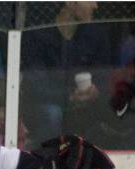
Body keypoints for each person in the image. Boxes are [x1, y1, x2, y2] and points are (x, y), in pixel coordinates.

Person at [20, 1, 114, 145]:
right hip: (45, 103)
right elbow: (35, 87)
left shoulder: (97, 35)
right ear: (70, 2)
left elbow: (105, 77)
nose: (96, 5)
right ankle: (45, 159)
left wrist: (96, 91)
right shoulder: (37, 35)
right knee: (53, 114)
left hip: (86, 102)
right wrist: (69, 96)